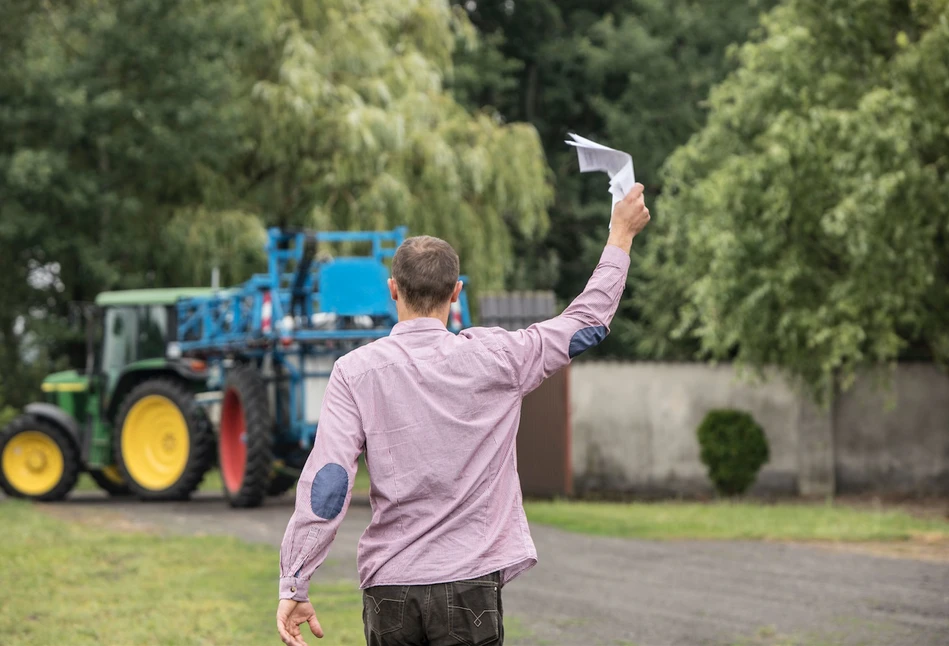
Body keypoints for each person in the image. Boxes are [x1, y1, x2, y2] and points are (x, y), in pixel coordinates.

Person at [276, 184, 651, 646]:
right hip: (470, 583)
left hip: (389, 586)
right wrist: (620, 236)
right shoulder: (500, 357)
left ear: (393, 289)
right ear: (455, 293)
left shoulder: (354, 372)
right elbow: (586, 324)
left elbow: (328, 483)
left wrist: (296, 580)